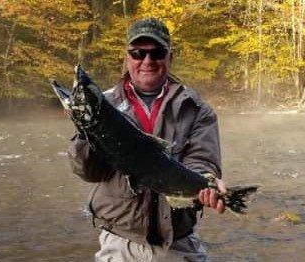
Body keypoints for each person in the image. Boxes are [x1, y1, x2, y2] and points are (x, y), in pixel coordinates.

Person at [68, 17, 227, 261]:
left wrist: (206, 183)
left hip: (178, 243)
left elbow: (202, 160)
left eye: (157, 53)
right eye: (138, 53)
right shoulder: (104, 105)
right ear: (127, 58)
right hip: (119, 242)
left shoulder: (196, 110)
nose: (147, 61)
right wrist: (85, 130)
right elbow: (88, 172)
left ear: (170, 57)